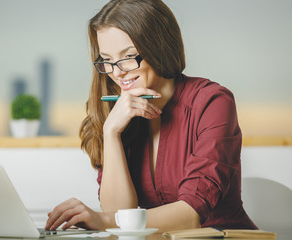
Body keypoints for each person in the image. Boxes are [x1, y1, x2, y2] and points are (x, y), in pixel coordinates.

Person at [45, 0, 257, 232]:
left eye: (129, 56)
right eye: (107, 60)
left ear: (159, 47)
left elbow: (190, 215)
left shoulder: (212, 102)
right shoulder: (117, 113)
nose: (117, 72)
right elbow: (118, 215)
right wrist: (111, 133)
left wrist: (104, 220)